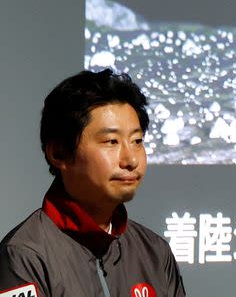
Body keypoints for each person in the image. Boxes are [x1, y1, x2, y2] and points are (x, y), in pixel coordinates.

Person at [0, 69, 186, 297]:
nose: (131, 159)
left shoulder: (154, 251)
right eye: (111, 141)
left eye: (137, 141)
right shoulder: (24, 254)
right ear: (58, 154)